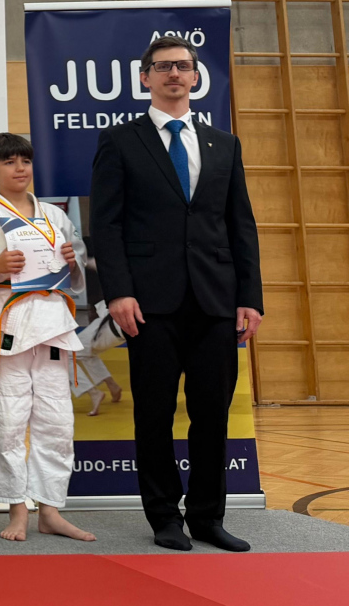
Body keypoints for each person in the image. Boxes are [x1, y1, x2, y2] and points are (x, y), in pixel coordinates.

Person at [90, 33, 263, 552]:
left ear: (195, 76)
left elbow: (241, 225)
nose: (174, 74)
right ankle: (164, 517)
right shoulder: (120, 141)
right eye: (163, 66)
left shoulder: (224, 144)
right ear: (145, 77)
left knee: (212, 414)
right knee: (154, 413)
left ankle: (208, 516)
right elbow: (107, 225)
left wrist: (250, 298)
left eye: (183, 66)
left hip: (216, 300)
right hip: (148, 302)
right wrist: (118, 292)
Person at [0, 132, 94, 543]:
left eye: (25, 161)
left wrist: (73, 260)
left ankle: (50, 510)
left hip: (53, 321)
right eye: (9, 162)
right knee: (8, 418)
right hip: (12, 321)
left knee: (57, 419)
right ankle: (17, 508)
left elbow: (76, 261)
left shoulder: (54, 215)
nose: (20, 168)